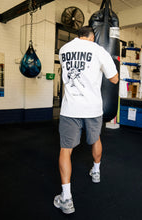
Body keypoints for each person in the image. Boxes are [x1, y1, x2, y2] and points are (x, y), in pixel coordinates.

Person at [53, 26, 118, 214]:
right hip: (92, 108)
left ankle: (66, 199)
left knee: (66, 150)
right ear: (92, 37)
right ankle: (96, 172)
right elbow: (114, 79)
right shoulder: (98, 50)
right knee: (96, 139)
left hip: (70, 108)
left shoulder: (64, 50)